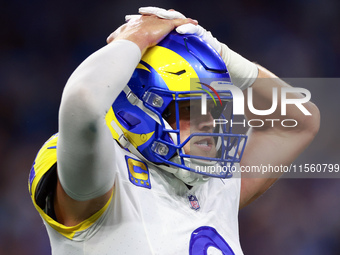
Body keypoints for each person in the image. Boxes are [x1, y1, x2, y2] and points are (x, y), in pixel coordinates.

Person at [28, 7, 320, 255]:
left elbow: (301, 119)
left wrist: (222, 55)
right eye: (189, 109)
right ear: (138, 109)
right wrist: (135, 38)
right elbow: (83, 103)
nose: (209, 123)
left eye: (214, 109)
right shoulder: (105, 177)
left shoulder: (212, 180)